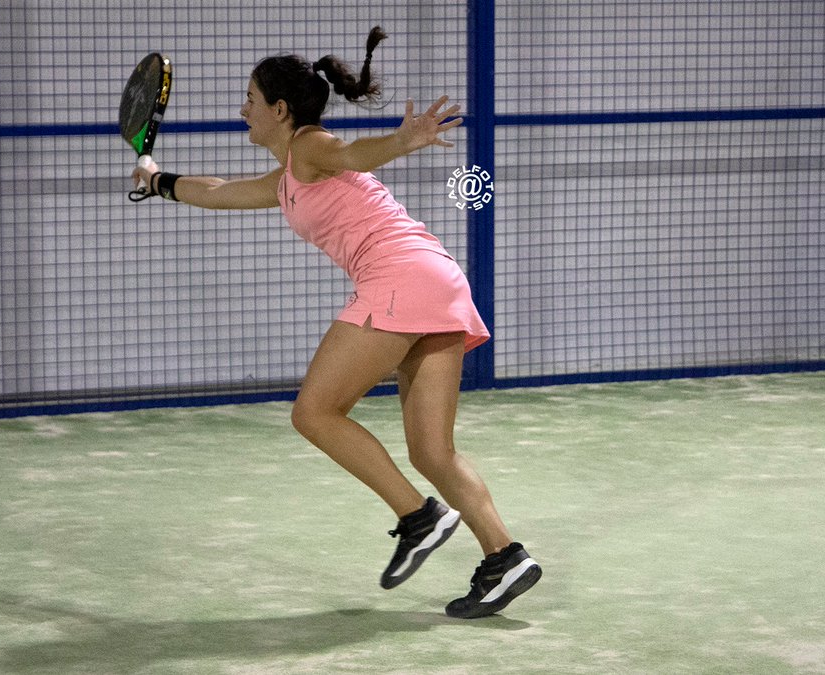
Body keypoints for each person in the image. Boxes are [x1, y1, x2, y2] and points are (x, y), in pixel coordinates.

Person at [131, 27, 540, 619]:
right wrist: (159, 179)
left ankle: (419, 517)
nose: (241, 109)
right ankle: (505, 556)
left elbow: (351, 154)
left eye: (250, 99)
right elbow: (220, 192)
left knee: (315, 411)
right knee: (433, 452)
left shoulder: (308, 146)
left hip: (399, 278)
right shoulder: (290, 177)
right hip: (437, 278)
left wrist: (405, 140)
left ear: (279, 108)